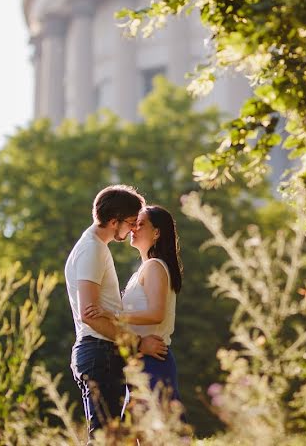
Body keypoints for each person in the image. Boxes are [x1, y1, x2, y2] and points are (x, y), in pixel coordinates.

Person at [65, 185, 168, 442]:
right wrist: (138, 343)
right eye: (132, 222)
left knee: (114, 438)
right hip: (100, 353)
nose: (134, 228)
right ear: (114, 221)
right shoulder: (92, 250)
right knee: (105, 439)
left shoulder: (94, 247)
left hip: (103, 353)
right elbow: (90, 315)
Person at [85, 205, 183, 410]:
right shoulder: (144, 269)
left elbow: (156, 314)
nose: (132, 229)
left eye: (140, 224)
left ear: (156, 232)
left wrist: (113, 315)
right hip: (141, 359)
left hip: (154, 360)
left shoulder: (154, 266)